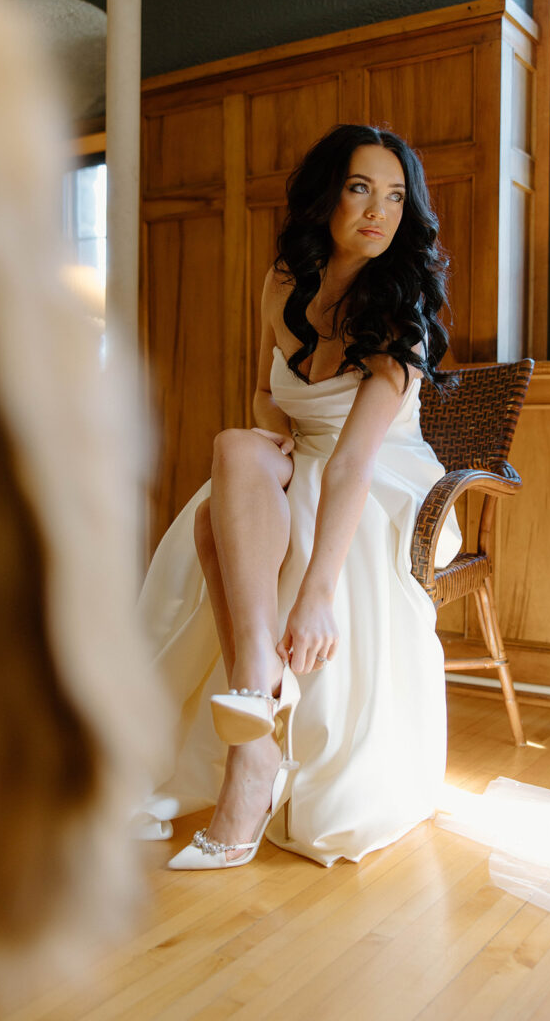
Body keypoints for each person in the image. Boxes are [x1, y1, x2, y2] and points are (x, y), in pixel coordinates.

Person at [139, 123, 462, 868]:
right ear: (326, 197)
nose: (376, 211)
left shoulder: (399, 311)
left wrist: (316, 591)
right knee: (234, 449)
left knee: (231, 514)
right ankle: (257, 700)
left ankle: (251, 753)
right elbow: (264, 393)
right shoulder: (285, 279)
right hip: (311, 453)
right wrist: (271, 446)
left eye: (392, 196)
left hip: (383, 475)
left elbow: (351, 465)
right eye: (359, 189)